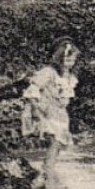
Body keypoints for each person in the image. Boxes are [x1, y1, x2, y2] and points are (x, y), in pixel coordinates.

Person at [21, 38, 81, 178]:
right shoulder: (48, 72)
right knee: (54, 141)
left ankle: (48, 168)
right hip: (44, 111)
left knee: (59, 143)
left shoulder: (68, 76)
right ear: (58, 58)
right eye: (67, 61)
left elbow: (65, 96)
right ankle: (47, 169)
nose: (70, 64)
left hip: (59, 113)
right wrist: (36, 110)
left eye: (72, 61)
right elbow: (32, 90)